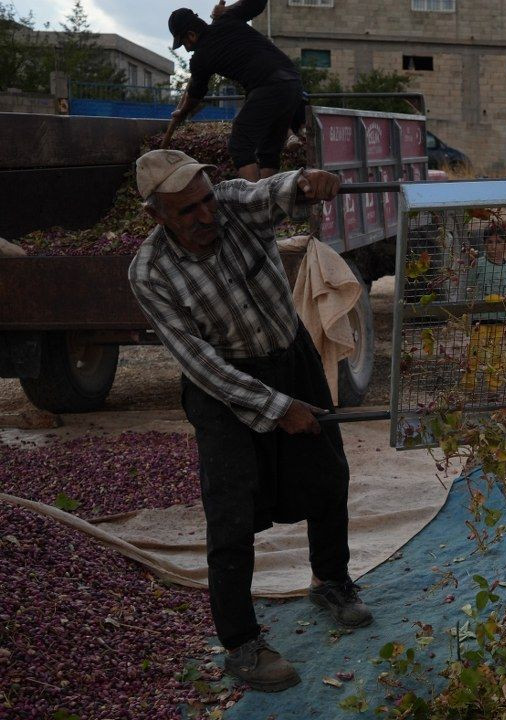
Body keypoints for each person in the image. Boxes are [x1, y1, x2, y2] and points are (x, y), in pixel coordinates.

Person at [128, 149, 372, 692]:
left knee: (328, 474)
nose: (207, 216)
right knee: (232, 514)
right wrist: (277, 408)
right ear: (157, 216)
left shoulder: (233, 205)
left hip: (290, 355)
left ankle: (330, 580)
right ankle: (241, 644)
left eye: (206, 201)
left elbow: (272, 192)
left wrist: (309, 184)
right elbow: (198, 363)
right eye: (187, 211)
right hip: (223, 387)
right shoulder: (150, 273)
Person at [167, 0, 305, 181]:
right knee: (268, 149)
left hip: (268, 86)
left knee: (239, 144)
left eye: (183, 43)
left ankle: (255, 202)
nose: (186, 48)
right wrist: (228, 10)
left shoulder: (201, 57)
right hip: (292, 83)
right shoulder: (228, 19)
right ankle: (268, 201)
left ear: (191, 35)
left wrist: (182, 112)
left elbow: (194, 97)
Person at [462, 221, 506, 396]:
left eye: (498, 242)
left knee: (498, 355)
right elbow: (469, 289)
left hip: (501, 320)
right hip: (480, 320)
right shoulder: (478, 264)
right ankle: (469, 386)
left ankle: (493, 389)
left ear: (505, 245)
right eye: (490, 242)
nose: (494, 246)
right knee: (475, 354)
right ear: (484, 244)